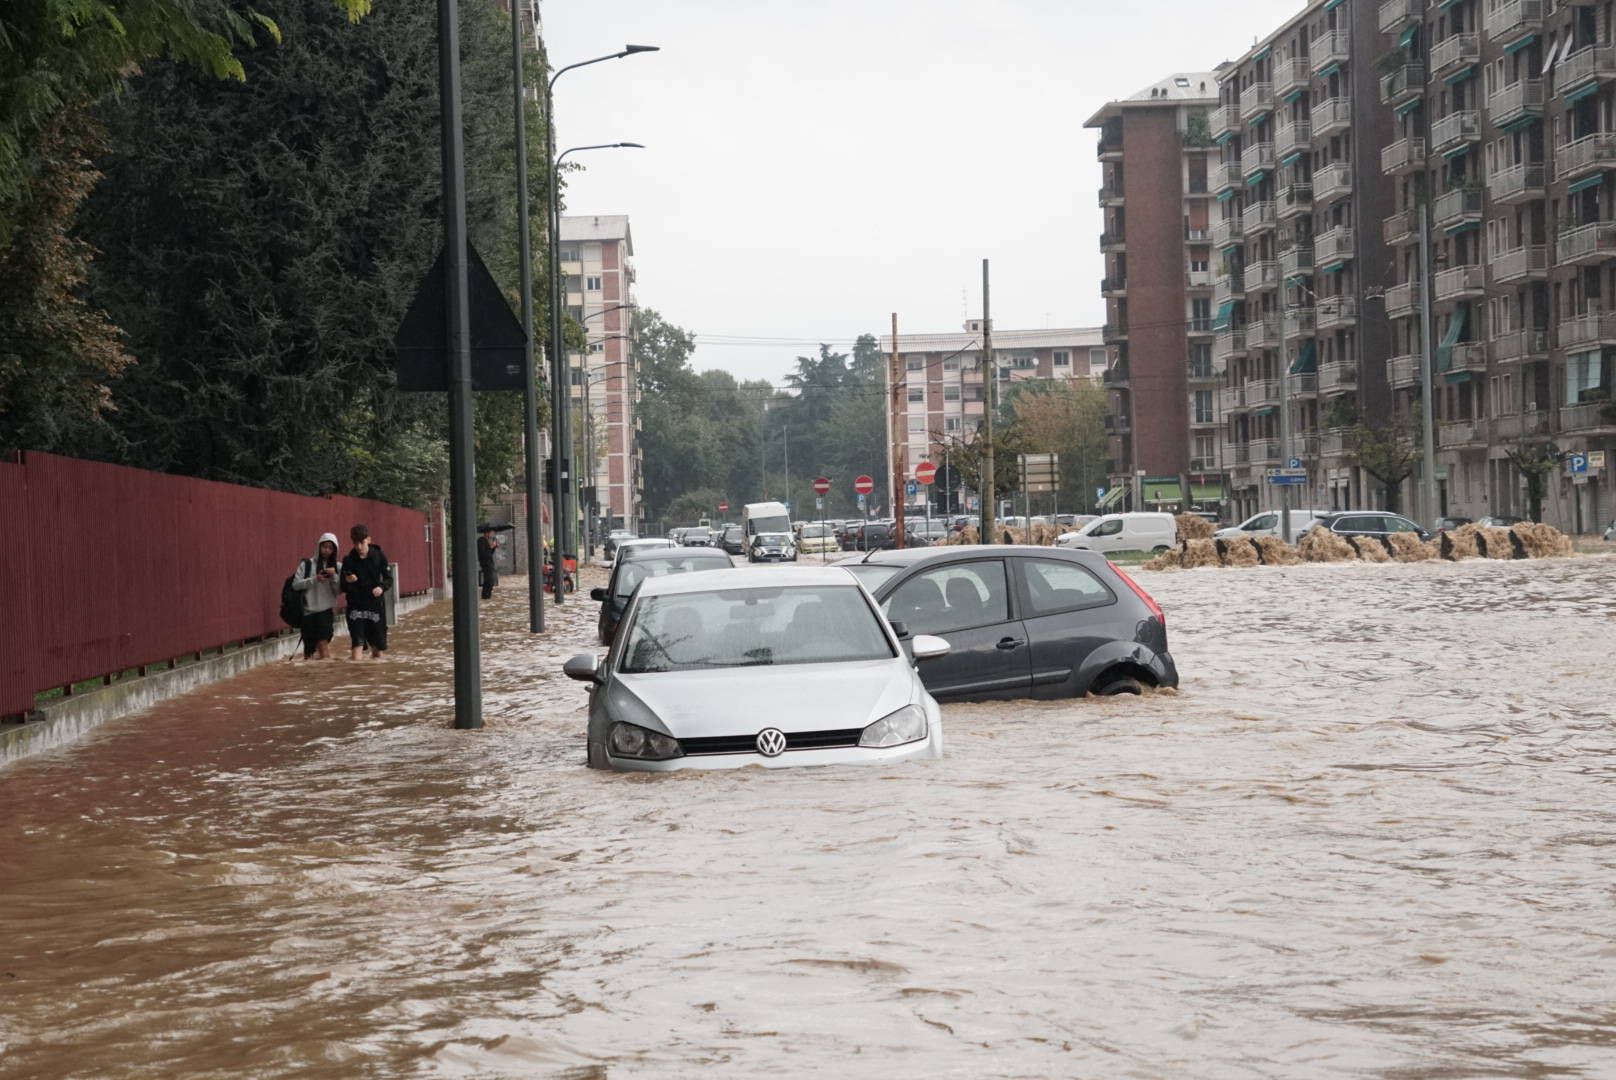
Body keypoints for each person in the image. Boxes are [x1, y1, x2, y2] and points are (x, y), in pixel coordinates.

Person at [341, 524, 393, 661]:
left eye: (361, 542)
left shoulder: (379, 555)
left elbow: (389, 579)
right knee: (357, 645)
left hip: (375, 606)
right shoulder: (348, 560)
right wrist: (348, 581)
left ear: (368, 540)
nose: (358, 547)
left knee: (377, 650)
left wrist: (381, 587)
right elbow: (342, 586)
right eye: (355, 543)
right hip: (355, 607)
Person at [291, 532, 342, 660]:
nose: (327, 550)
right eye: (324, 546)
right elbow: (295, 585)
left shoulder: (337, 566)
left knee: (323, 643)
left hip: (326, 611)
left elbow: (339, 590)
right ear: (319, 546)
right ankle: (311, 677)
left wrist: (334, 576)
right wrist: (315, 579)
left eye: (331, 548)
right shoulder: (306, 565)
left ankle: (325, 674)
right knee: (308, 650)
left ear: (335, 550)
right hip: (308, 612)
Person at [477, 525, 500, 600]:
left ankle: (487, 597)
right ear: (487, 533)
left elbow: (489, 553)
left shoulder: (487, 540)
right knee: (489, 582)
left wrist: (494, 548)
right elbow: (483, 554)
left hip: (489, 563)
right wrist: (491, 547)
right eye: (491, 533)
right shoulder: (481, 540)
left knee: (491, 581)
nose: (492, 535)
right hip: (486, 564)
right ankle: (485, 597)